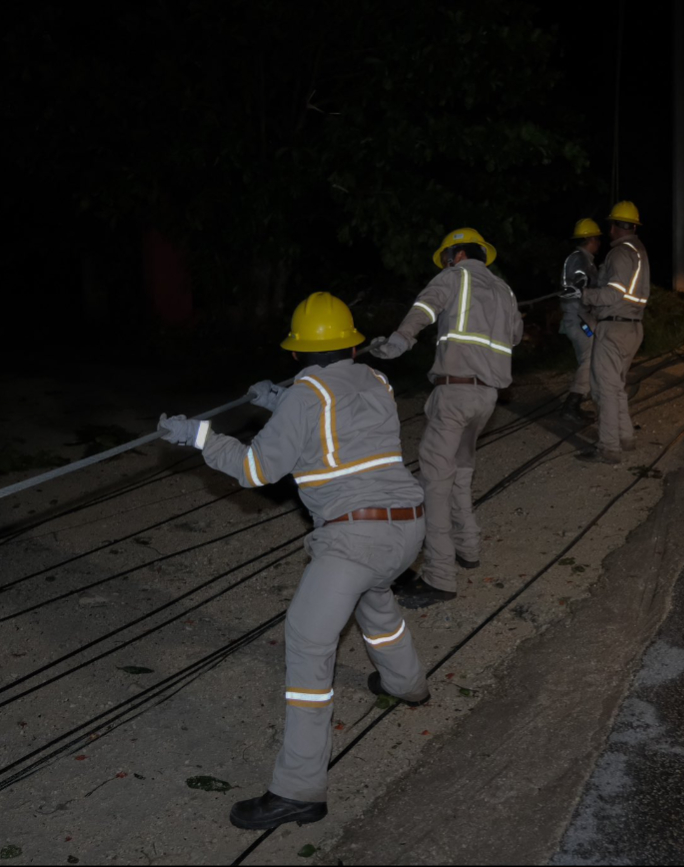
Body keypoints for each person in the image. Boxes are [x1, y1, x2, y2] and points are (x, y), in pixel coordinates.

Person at [157, 292, 429, 830]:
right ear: (351, 346)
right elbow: (336, 413)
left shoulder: (306, 396)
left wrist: (202, 438)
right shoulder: (377, 381)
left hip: (353, 538)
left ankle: (300, 789)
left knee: (308, 643)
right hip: (408, 526)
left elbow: (257, 468)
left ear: (298, 353)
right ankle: (408, 683)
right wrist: (279, 400)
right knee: (375, 595)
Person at [369, 228, 522, 608]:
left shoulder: (455, 276)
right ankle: (468, 549)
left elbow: (425, 308)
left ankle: (440, 576)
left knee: (434, 482)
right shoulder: (505, 290)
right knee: (461, 472)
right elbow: (515, 336)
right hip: (488, 398)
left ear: (456, 255)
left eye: (445, 258)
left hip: (454, 393)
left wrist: (397, 341)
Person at [579, 201, 649, 464]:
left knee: (603, 389)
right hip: (632, 327)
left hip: (615, 327)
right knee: (616, 386)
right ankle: (626, 437)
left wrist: (585, 295)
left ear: (616, 227)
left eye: (610, 225)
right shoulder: (638, 250)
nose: (608, 231)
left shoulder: (619, 254)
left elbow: (613, 293)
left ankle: (608, 448)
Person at [559, 218, 602, 423]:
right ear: (592, 239)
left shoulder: (582, 259)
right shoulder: (580, 260)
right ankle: (572, 404)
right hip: (579, 319)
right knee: (590, 357)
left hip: (578, 317)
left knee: (588, 357)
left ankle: (580, 401)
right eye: (597, 239)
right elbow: (580, 289)